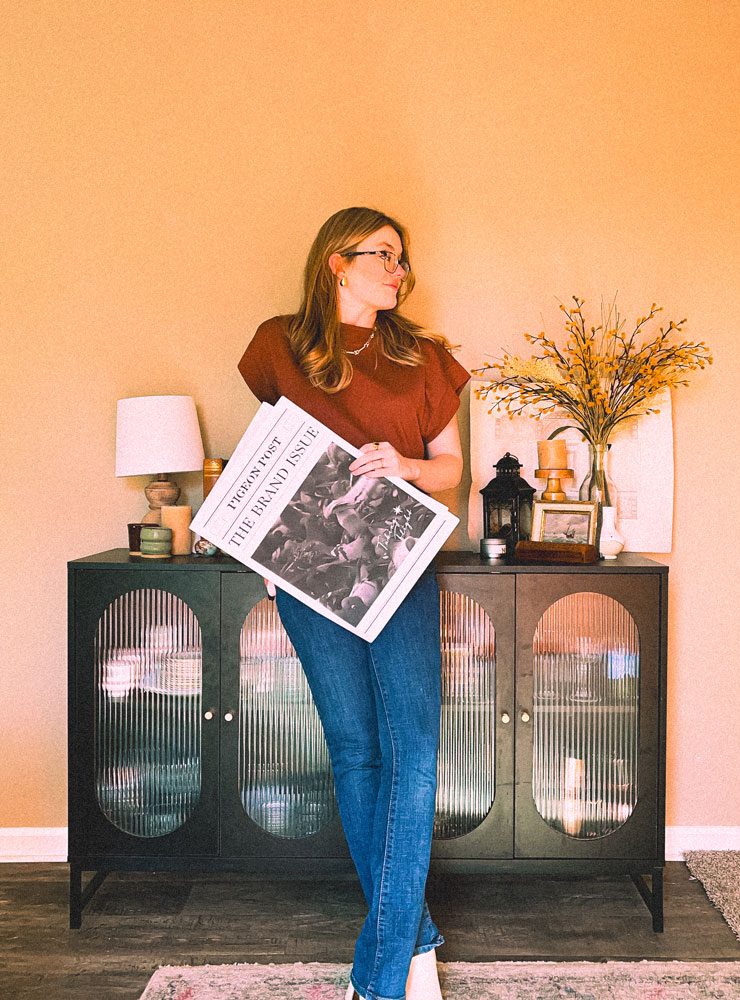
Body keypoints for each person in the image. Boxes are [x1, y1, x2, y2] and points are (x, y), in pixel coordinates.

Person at [238, 207, 469, 1000]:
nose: (399, 269)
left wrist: (403, 461)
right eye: (384, 255)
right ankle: (419, 940)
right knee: (354, 749)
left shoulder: (426, 358)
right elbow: (265, 454)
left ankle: (379, 976)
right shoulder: (281, 344)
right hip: (308, 572)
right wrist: (259, 550)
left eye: (404, 258)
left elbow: (453, 474)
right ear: (337, 262)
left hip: (401, 562)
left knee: (414, 750)